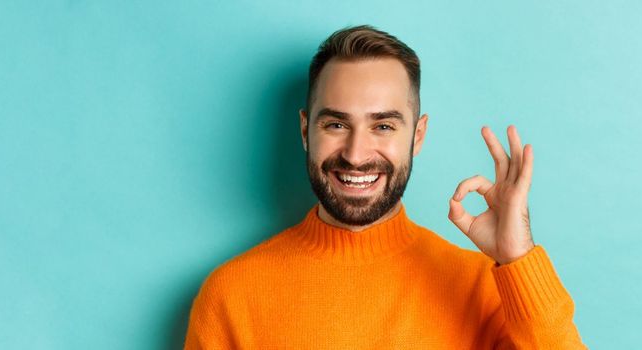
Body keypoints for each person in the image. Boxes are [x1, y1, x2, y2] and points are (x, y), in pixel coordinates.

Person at [184, 25, 587, 349]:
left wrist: (519, 259)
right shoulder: (231, 297)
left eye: (383, 126)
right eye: (337, 124)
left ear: (418, 135)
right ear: (306, 130)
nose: (357, 154)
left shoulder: (484, 291)